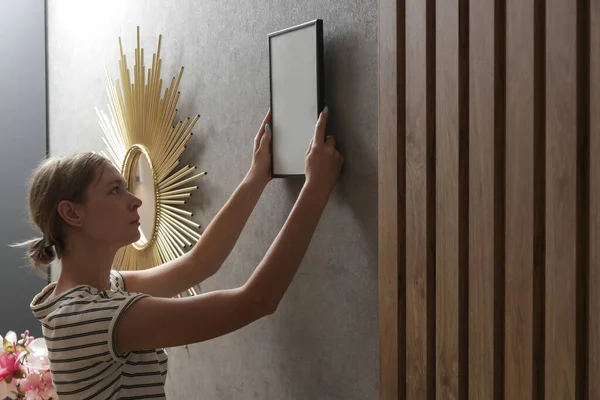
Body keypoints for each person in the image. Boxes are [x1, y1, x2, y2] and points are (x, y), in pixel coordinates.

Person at [21, 107, 343, 399]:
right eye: (115, 190)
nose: (135, 201)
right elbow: (257, 301)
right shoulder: (90, 317)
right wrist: (316, 187)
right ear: (72, 214)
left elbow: (199, 263)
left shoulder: (100, 292)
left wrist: (256, 176)